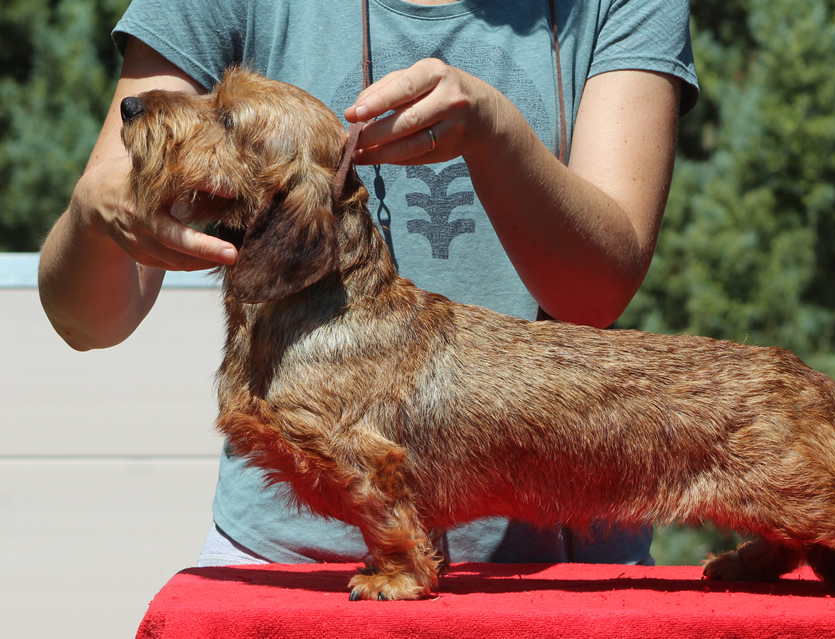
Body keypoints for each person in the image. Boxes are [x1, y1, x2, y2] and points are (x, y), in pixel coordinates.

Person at [38, 0, 699, 568]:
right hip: (284, 562)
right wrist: (92, 219)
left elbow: (594, 295)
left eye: (227, 114)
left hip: (561, 572)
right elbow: (87, 321)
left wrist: (496, 133)